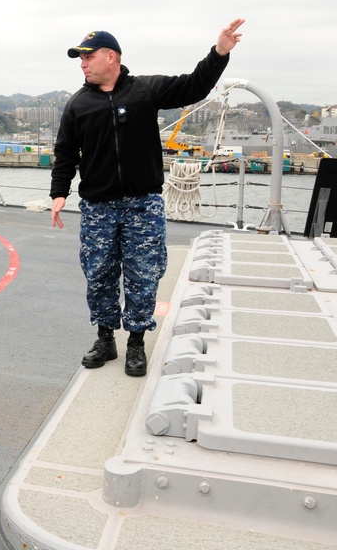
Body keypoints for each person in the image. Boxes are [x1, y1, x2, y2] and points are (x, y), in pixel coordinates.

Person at [51, 19, 245, 377]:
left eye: (87, 57)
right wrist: (59, 193)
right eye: (79, 58)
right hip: (98, 208)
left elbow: (194, 86)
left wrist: (219, 53)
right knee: (99, 274)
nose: (82, 63)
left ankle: (136, 342)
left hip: (142, 203)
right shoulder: (77, 105)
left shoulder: (145, 91)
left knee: (143, 274)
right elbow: (65, 153)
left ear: (111, 57)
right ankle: (105, 338)